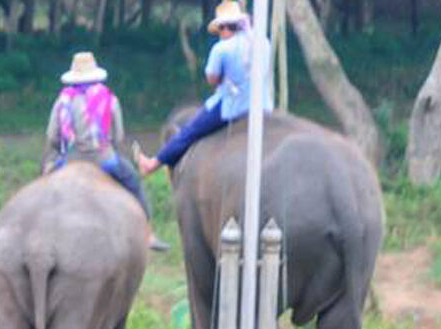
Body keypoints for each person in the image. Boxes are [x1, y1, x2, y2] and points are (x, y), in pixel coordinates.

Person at [45, 52, 165, 249]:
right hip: (104, 159)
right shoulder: (109, 98)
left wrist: (62, 151)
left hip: (71, 161)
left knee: (42, 185)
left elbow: (52, 136)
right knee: (133, 181)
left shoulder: (63, 100)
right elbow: (118, 136)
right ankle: (147, 233)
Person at [138, 0, 273, 175]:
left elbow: (213, 79)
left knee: (189, 132)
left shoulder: (222, 49)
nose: (220, 34)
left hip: (233, 105)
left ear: (224, 27)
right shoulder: (263, 42)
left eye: (220, 30)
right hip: (263, 104)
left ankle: (152, 164)